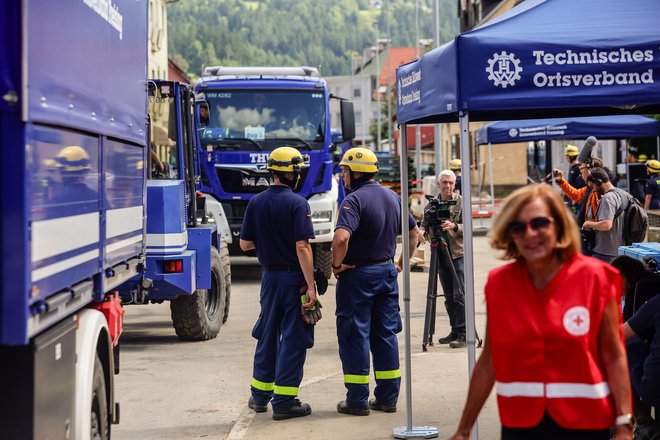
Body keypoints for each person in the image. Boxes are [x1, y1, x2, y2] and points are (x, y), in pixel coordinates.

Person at [449, 184, 632, 440]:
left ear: (558, 225)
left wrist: (624, 423)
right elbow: (490, 360)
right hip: (521, 423)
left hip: (586, 421)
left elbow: (614, 354)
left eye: (539, 223)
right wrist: (464, 428)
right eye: (518, 227)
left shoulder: (598, 278)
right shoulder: (500, 284)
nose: (529, 233)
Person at [331, 147, 421, 416]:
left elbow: (340, 239)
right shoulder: (393, 197)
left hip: (357, 276)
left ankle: (357, 401)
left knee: (354, 336)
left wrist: (336, 265)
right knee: (385, 335)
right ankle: (387, 398)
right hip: (386, 274)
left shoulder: (353, 201)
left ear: (357, 172)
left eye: (345, 171)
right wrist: (401, 263)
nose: (343, 176)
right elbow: (414, 233)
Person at [239, 146, 317, 421]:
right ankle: (284, 401)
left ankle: (259, 396)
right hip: (293, 279)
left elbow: (245, 244)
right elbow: (302, 247)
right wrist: (311, 286)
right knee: (294, 338)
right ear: (293, 173)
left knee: (267, 333)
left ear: (272, 172)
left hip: (269, 278)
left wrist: (269, 241)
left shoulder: (256, 202)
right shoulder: (298, 204)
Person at [432, 170, 467, 349]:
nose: (447, 186)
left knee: (459, 294)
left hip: (457, 254)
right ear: (439, 184)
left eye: (450, 183)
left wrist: (454, 226)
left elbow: (468, 225)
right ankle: (454, 329)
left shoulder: (461, 201)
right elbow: (425, 223)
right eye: (444, 182)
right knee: (448, 296)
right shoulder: (434, 203)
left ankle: (463, 332)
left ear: (455, 184)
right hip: (441, 254)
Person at [624, 295, 660, 439]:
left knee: (626, 343)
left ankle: (643, 422)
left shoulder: (656, 303)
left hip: (653, 390)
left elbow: (620, 333)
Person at [582, 167, 625, 264]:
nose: (592, 190)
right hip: (616, 250)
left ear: (598, 182)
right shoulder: (620, 193)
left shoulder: (607, 198)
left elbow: (606, 225)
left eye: (592, 186)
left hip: (604, 253)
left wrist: (588, 224)